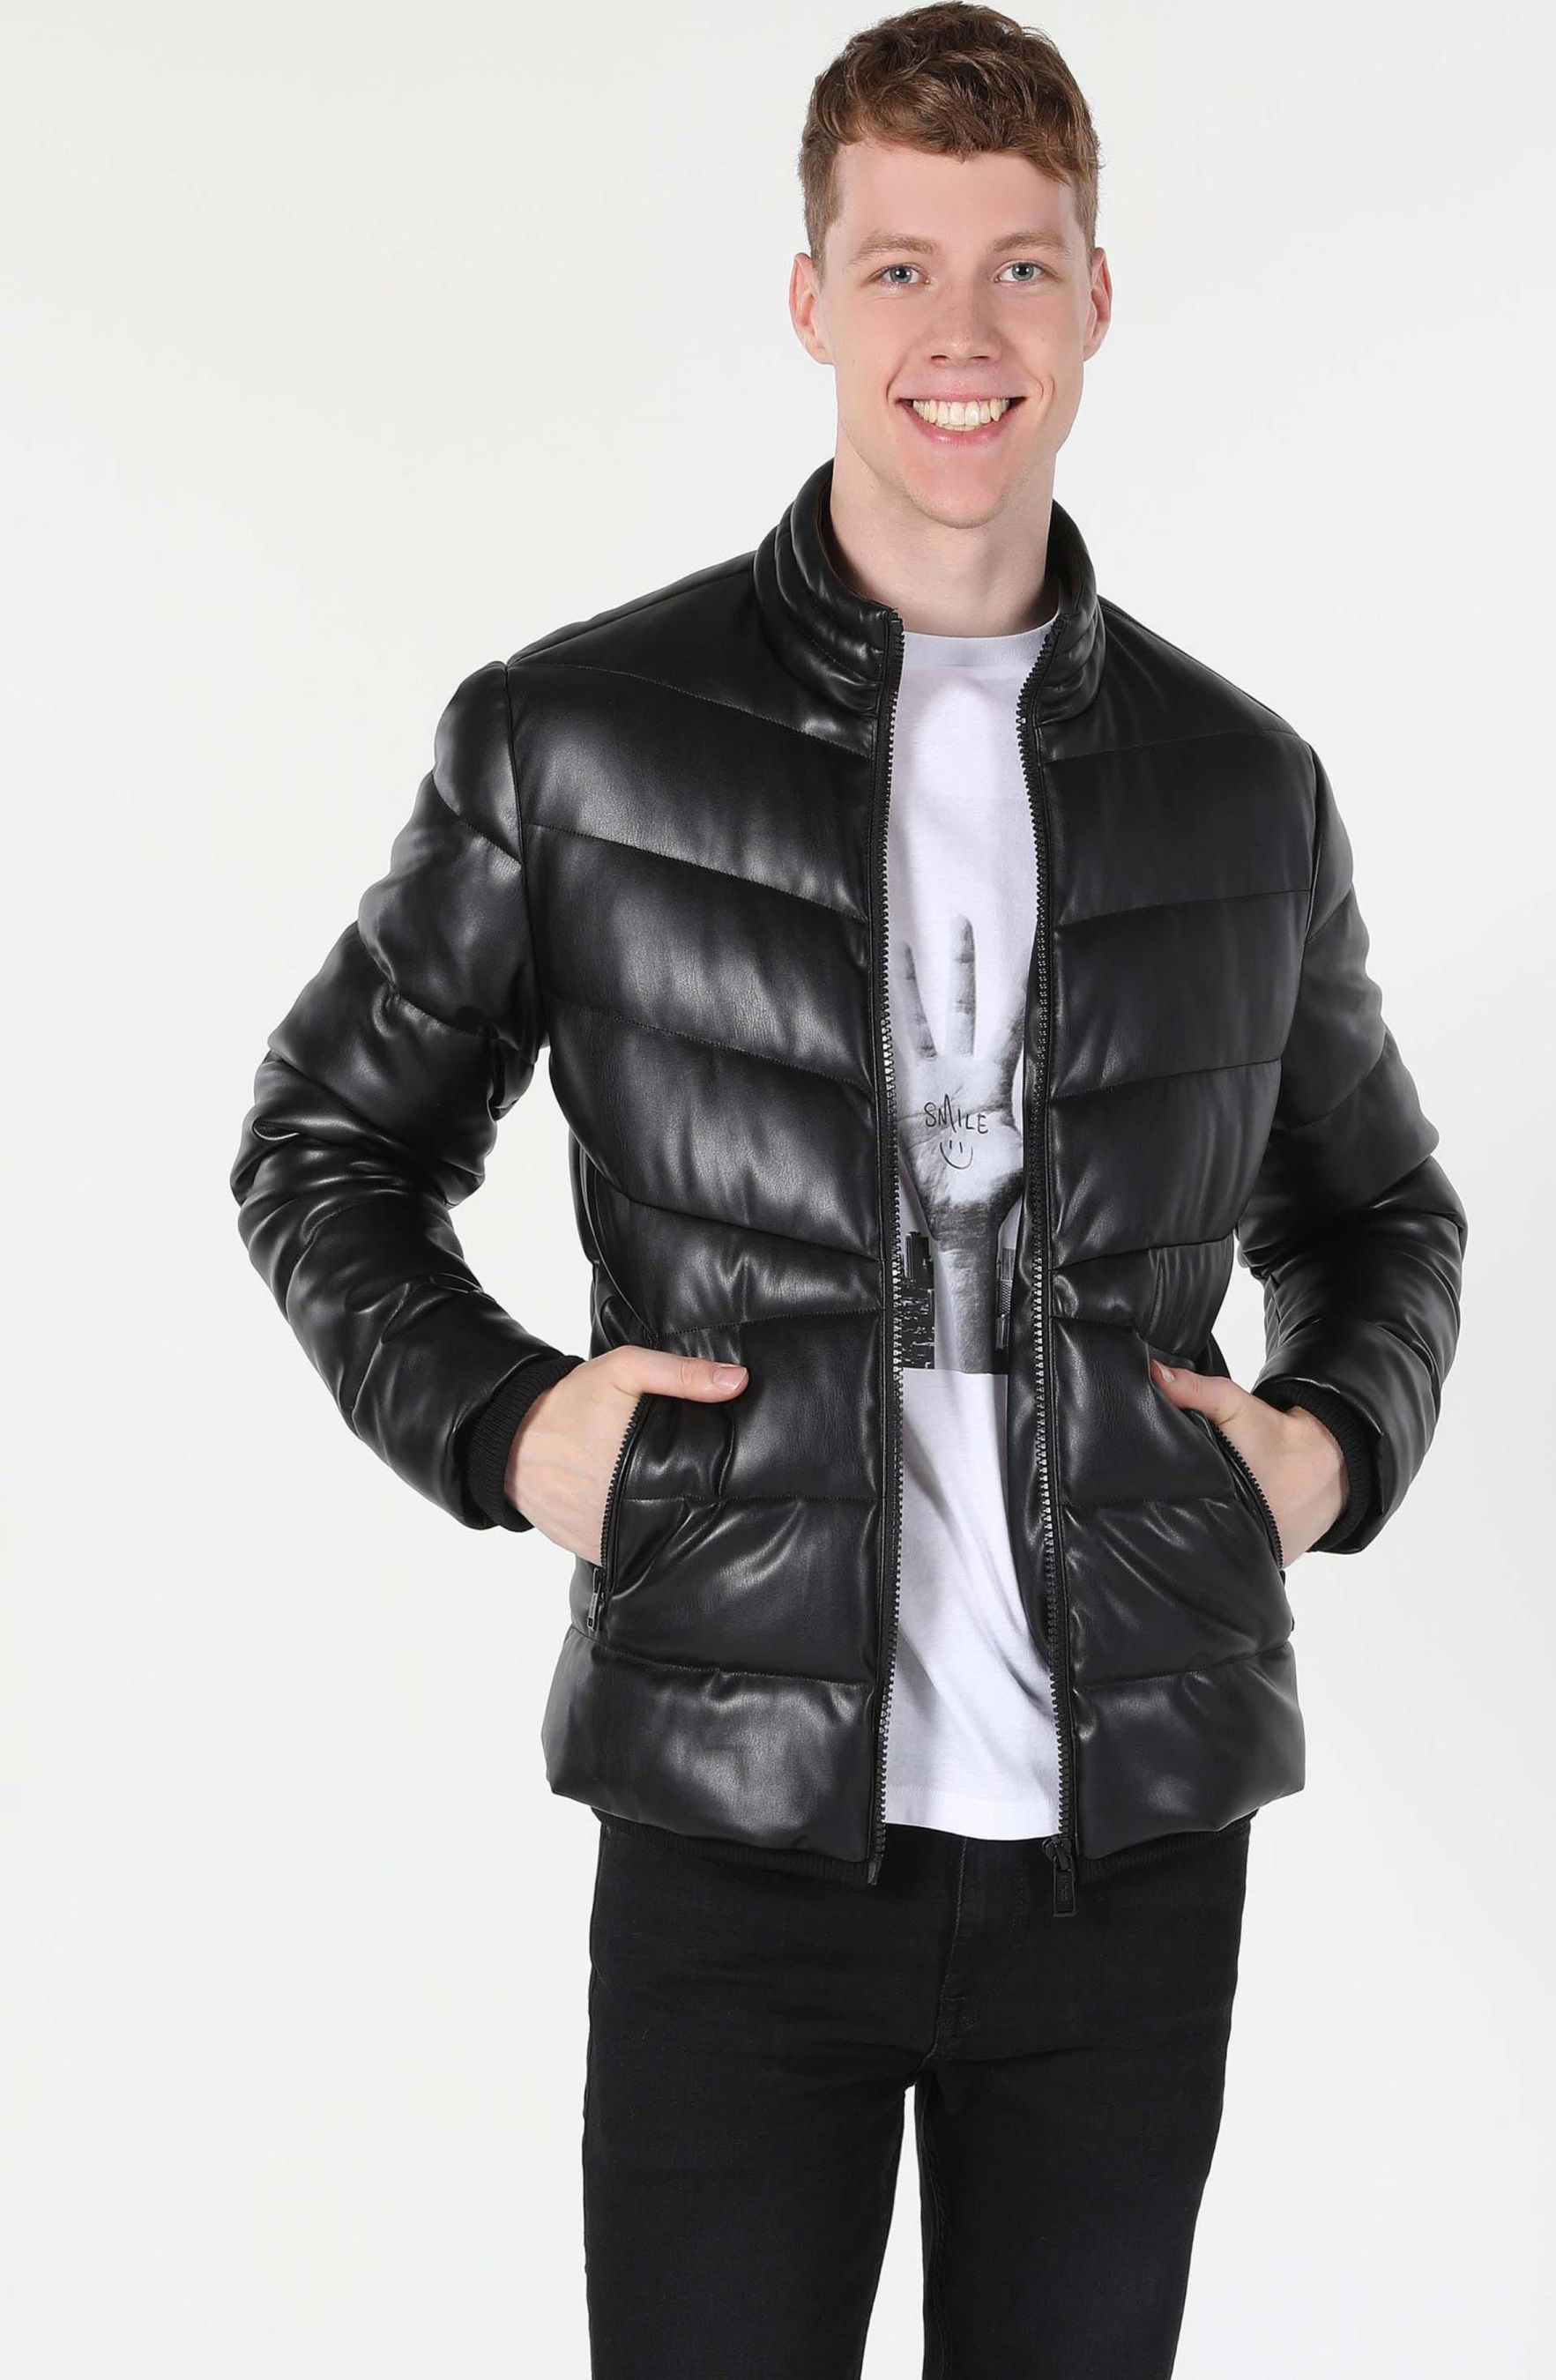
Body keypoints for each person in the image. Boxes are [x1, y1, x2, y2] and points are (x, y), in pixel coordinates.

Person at [229, 7, 1467, 2371]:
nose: (961, 334)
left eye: (1020, 268)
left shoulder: (1242, 790)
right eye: (901, 267)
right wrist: (503, 1421)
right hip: (733, 1820)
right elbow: (323, 1146)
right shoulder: (582, 742)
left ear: (1096, 301)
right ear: (810, 299)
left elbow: (1382, 1214)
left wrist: (1330, 1447)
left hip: (1127, 1846)